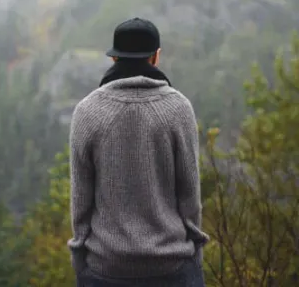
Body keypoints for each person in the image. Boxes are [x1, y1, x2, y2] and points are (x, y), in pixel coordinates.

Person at [68, 18, 209, 287]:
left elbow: (81, 201)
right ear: (155, 57)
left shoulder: (87, 112)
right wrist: (195, 260)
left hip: (104, 269)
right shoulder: (178, 108)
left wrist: (80, 263)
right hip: (172, 267)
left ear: (114, 59)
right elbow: (190, 197)